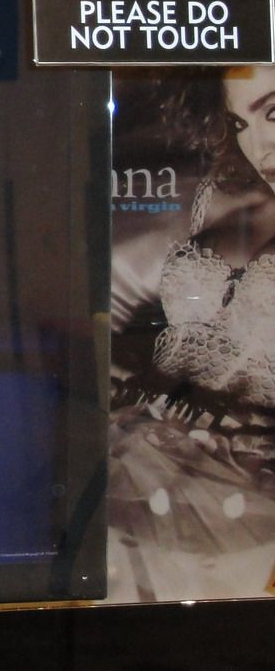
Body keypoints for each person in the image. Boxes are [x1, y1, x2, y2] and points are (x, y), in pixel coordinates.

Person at [109, 65, 275, 601]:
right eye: (239, 123)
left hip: (246, 493)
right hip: (139, 447)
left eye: (274, 112)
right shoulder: (218, 196)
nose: (259, 146)